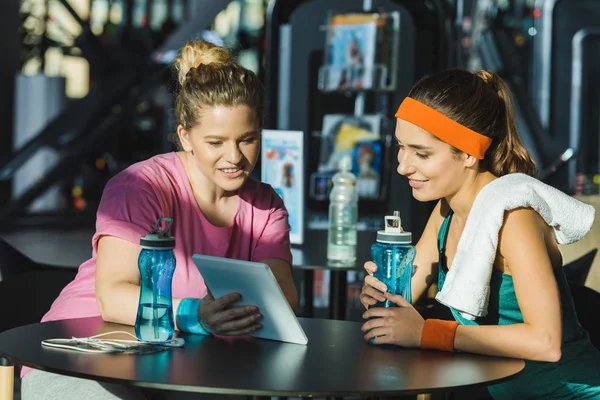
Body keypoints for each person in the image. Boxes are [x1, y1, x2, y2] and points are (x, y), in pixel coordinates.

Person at [21, 39, 298, 399]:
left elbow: (282, 301)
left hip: (178, 363)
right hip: (83, 355)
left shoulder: (266, 205)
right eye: (216, 142)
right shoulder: (141, 186)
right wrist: (197, 314)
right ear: (186, 137)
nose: (234, 157)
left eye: (247, 140)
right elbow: (113, 296)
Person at [360, 69, 600, 399]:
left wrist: (428, 333)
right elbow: (403, 300)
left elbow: (545, 342)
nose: (403, 165)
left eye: (422, 153)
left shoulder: (515, 219)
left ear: (471, 152)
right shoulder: (445, 211)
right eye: (402, 147)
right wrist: (382, 294)